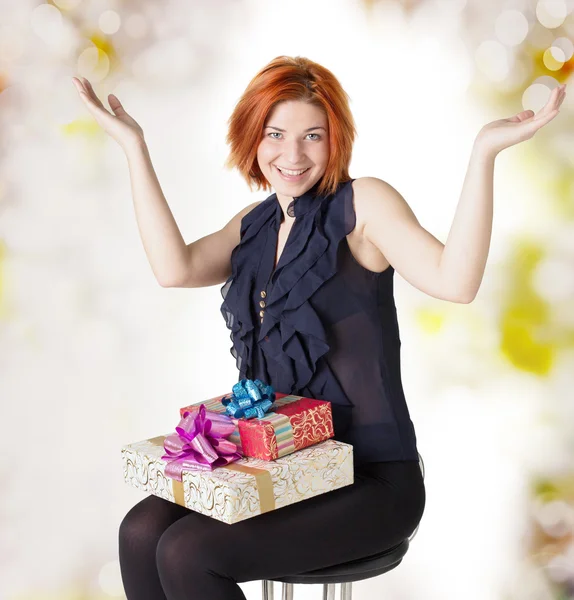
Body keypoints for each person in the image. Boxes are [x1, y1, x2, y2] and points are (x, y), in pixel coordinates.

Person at [72, 56, 565, 600]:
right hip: (283, 468)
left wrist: (483, 154)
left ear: (336, 140)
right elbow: (175, 268)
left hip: (372, 480)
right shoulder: (253, 225)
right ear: (252, 137)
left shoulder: (363, 205)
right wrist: (134, 148)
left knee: (187, 551)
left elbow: (456, 280)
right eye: (275, 133)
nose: (293, 154)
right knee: (140, 532)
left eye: (313, 135)